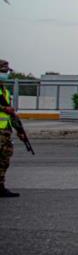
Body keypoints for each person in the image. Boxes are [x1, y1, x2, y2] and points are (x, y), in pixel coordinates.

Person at [0, 59, 27, 198]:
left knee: (4, 159)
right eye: (3, 71)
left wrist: (19, 131)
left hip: (5, 131)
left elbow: (10, 114)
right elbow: (7, 110)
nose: (5, 74)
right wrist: (5, 108)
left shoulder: (4, 91)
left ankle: (0, 187)